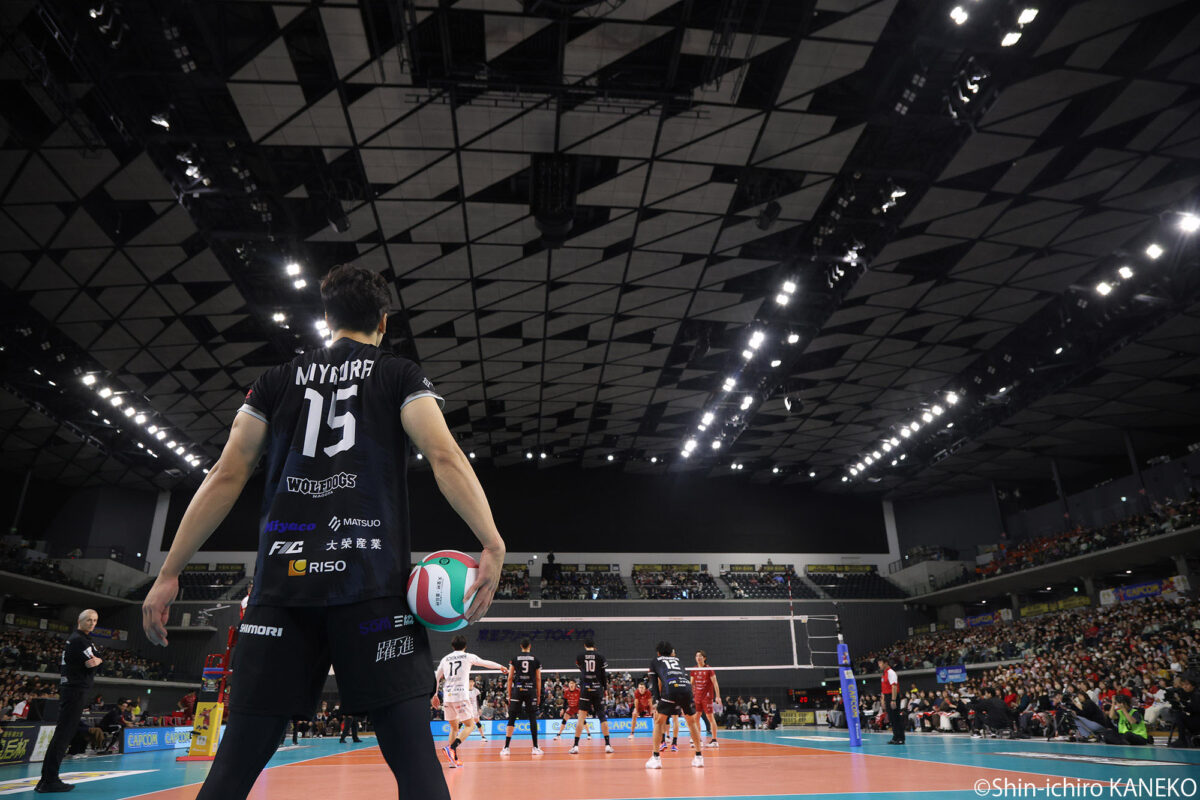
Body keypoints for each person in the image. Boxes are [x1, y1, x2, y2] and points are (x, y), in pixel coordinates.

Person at [141, 263, 506, 800]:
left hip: (283, 592)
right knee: (416, 767)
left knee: (233, 769)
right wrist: (492, 542)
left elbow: (226, 474)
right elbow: (444, 455)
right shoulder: (398, 374)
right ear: (384, 321)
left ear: (327, 317)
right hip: (371, 589)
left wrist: (169, 572)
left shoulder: (275, 381)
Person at [37, 608, 103, 793]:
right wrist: (97, 661)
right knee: (63, 735)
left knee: (64, 734)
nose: (92, 623)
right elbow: (93, 662)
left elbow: (98, 659)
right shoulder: (78, 640)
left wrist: (98, 661)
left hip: (75, 691)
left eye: (95, 620)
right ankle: (49, 780)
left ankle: (47, 780)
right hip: (74, 690)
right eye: (89, 620)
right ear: (79, 621)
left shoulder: (84, 640)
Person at [434, 635, 505, 767]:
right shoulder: (468, 656)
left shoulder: (445, 659)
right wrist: (500, 666)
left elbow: (436, 677)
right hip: (460, 696)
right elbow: (485, 663)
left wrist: (435, 695)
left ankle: (453, 760)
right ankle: (451, 748)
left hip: (448, 697)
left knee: (454, 727)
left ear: (452, 646)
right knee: (470, 725)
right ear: (465, 646)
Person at [645, 641, 704, 770]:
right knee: (691, 721)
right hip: (686, 688)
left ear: (658, 652)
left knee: (658, 721)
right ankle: (699, 757)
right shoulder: (677, 660)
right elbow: (683, 676)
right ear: (671, 652)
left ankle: (656, 758)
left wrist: (656, 702)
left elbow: (654, 685)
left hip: (671, 689)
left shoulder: (655, 661)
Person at [502, 638, 543, 755]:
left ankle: (506, 748)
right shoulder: (536, 659)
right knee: (532, 718)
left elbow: (510, 678)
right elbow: (538, 678)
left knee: (512, 717)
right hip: (531, 690)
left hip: (518, 690)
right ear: (530, 646)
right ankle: (535, 747)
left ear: (521, 646)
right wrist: (538, 695)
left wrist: (509, 694)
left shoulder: (515, 659)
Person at [573, 638, 613, 753]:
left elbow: (581, 669)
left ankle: (575, 746)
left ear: (584, 645)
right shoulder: (600, 656)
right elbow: (603, 675)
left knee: (581, 717)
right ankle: (608, 745)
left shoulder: (580, 656)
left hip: (585, 689)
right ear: (594, 645)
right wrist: (605, 688)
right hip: (597, 688)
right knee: (602, 716)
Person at [692, 651, 720, 748]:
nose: (698, 657)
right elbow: (692, 683)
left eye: (700, 656)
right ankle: (698, 740)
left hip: (707, 697)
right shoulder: (694, 669)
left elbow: (715, 683)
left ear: (704, 658)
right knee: (696, 718)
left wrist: (718, 696)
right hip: (697, 697)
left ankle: (714, 740)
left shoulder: (709, 669)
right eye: (697, 656)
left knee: (710, 717)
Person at [877, 658, 903, 745]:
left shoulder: (891, 673)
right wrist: (883, 700)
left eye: (880, 663)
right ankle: (895, 737)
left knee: (896, 718)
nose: (879, 665)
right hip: (887, 697)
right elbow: (884, 689)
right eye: (878, 663)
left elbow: (894, 686)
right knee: (891, 718)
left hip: (893, 696)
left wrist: (893, 700)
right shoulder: (884, 674)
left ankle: (900, 738)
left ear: (886, 663)